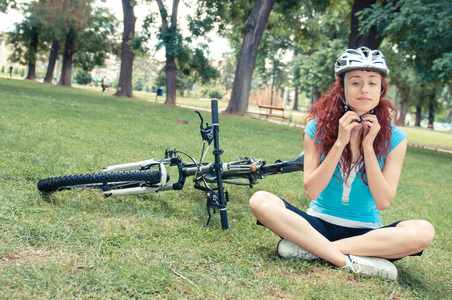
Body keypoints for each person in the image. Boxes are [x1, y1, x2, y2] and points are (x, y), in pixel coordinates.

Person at [249, 46, 435, 281]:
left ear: (381, 89)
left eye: (372, 83)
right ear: (342, 88)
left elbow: (384, 201)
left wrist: (368, 147)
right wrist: (339, 143)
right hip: (317, 223)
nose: (364, 89)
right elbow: (312, 190)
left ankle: (314, 249)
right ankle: (349, 261)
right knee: (260, 201)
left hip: (366, 234)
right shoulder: (316, 128)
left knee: (423, 231)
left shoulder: (395, 138)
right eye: (356, 82)